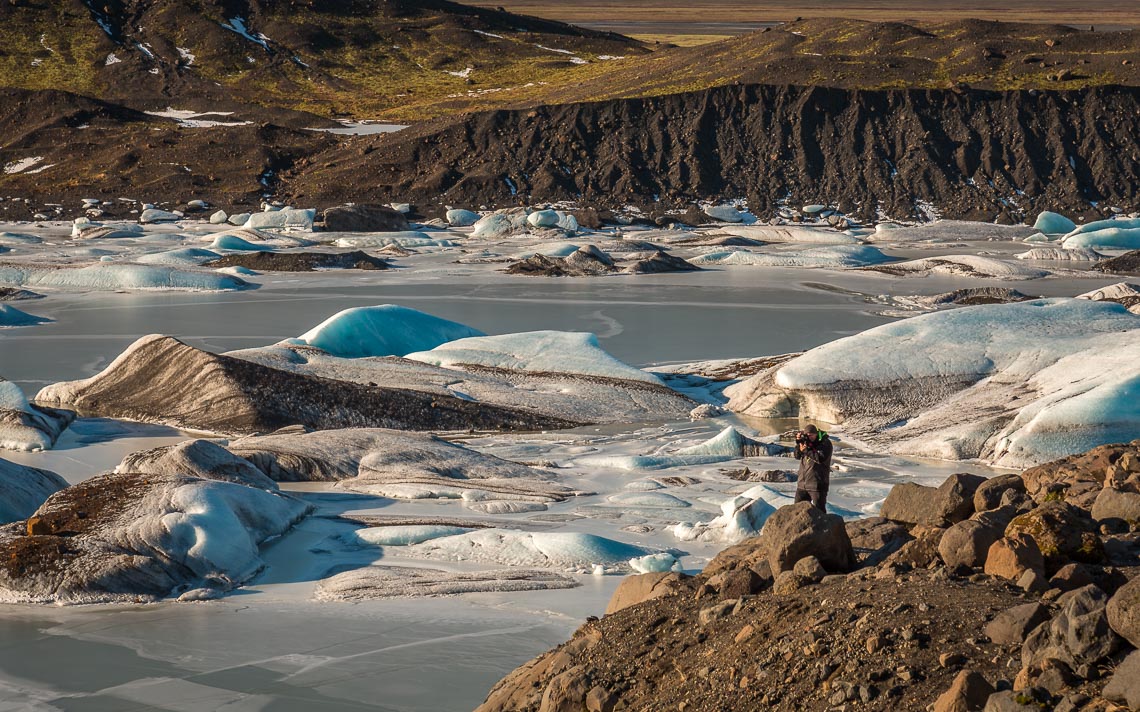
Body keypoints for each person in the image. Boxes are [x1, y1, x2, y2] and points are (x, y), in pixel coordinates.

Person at [793, 424, 832, 511]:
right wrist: (799, 442)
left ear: (816, 434)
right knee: (797, 511)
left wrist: (807, 450)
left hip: (817, 485)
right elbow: (797, 456)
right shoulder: (806, 443)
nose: (809, 437)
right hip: (802, 484)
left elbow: (820, 458)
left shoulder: (825, 443)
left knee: (819, 511)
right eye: (807, 435)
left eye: (811, 435)